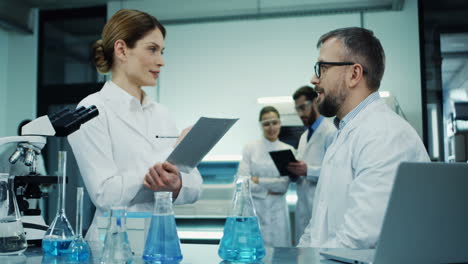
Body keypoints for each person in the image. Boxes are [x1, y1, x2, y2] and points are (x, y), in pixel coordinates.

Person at [67, 9, 203, 241]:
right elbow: (105, 195)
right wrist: (167, 163)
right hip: (112, 244)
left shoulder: (162, 113)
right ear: (121, 50)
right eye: (152, 49)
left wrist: (176, 183)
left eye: (161, 51)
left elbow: (195, 188)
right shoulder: (91, 109)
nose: (161, 61)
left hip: (161, 241)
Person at [298, 27, 430, 248]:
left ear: (354, 74)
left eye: (321, 68)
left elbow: (359, 238)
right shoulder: (345, 134)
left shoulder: (384, 135)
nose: (314, 79)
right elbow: (317, 226)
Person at [237, 106, 294, 247]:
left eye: (274, 122)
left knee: (280, 255)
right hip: (256, 210)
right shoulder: (250, 148)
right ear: (261, 126)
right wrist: (267, 190)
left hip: (278, 212)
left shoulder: (287, 150)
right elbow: (242, 182)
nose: (271, 127)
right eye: (266, 123)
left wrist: (258, 180)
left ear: (280, 123)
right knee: (255, 252)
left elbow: (283, 185)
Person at [286, 86, 336, 245]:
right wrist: (294, 172)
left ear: (315, 101)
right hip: (303, 205)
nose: (300, 114)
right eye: (297, 109)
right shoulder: (303, 137)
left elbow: (336, 173)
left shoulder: (330, 132)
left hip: (322, 206)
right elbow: (302, 166)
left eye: (303, 107)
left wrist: (308, 170)